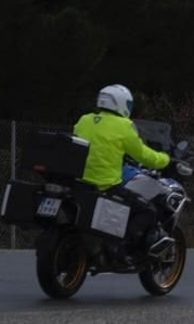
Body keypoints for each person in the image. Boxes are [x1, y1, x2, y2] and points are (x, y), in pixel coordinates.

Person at [74, 84, 173, 254]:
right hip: (105, 185)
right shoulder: (124, 125)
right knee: (147, 209)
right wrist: (165, 159)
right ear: (120, 103)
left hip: (78, 183)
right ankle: (122, 246)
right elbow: (143, 155)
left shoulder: (84, 120)